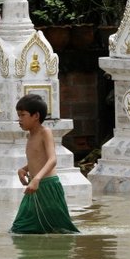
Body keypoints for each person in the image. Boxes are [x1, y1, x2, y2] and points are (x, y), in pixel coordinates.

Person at [9, 94, 79, 234]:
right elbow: (37, 158)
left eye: (23, 115)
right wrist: (23, 169)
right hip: (35, 186)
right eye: (18, 115)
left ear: (36, 116)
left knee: (61, 229)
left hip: (47, 185)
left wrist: (36, 179)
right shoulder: (30, 135)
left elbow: (52, 159)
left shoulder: (45, 132)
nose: (20, 119)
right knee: (20, 227)